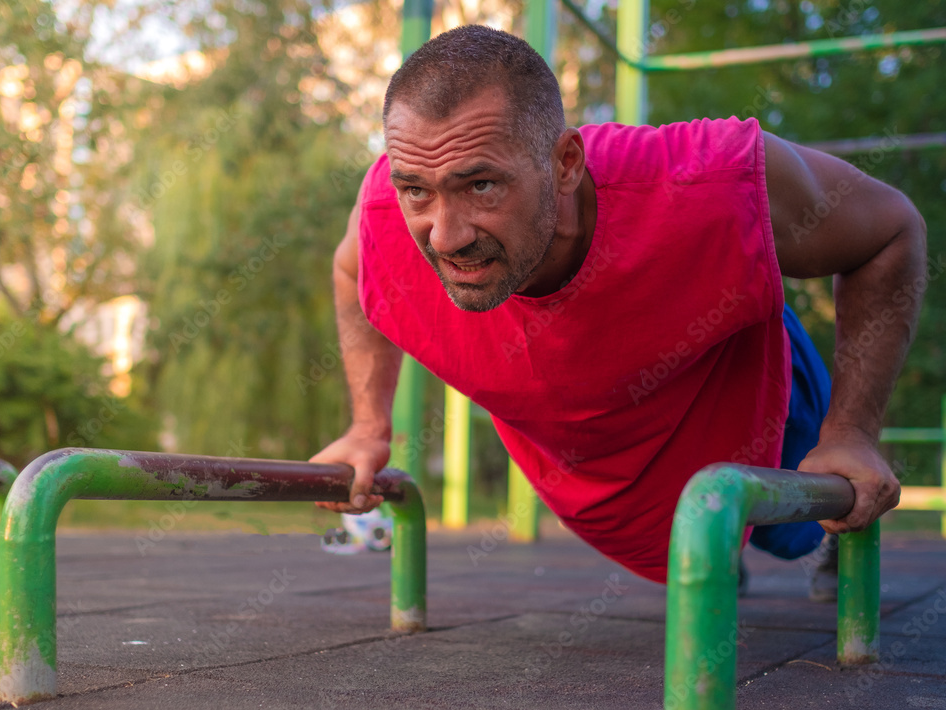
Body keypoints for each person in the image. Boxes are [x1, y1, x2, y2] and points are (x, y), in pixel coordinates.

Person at [309, 25, 926, 594]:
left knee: (796, 530)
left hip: (732, 382)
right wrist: (368, 428)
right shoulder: (386, 214)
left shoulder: (709, 182)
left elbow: (891, 231)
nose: (445, 236)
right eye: (417, 188)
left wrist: (852, 433)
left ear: (565, 164)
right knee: (685, 539)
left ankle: (820, 544)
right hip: (597, 452)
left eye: (481, 186)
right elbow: (349, 270)